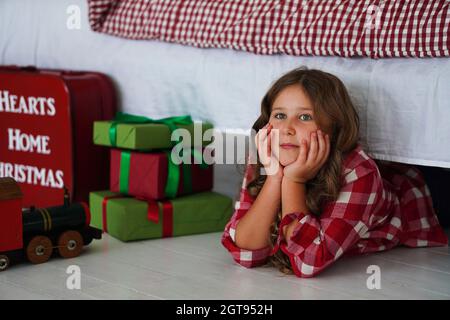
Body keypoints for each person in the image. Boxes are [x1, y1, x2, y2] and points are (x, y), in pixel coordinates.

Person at [221, 67, 448, 278]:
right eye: (280, 115)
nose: (287, 128)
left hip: (425, 199)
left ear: (334, 128)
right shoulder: (267, 156)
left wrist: (293, 180)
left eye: (305, 117)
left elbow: (308, 261)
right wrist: (274, 178)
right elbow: (246, 252)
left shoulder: (360, 173)